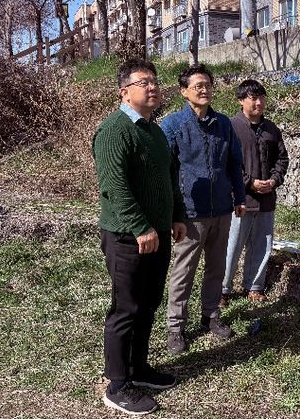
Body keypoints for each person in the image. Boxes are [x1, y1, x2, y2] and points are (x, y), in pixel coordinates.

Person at [92, 58, 187, 415]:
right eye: (143, 82)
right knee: (126, 308)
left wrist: (176, 216)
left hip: (157, 233)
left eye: (154, 81)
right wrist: (140, 226)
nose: (152, 87)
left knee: (148, 303)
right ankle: (117, 383)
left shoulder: (154, 131)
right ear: (124, 92)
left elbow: (169, 178)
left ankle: (139, 368)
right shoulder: (114, 130)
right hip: (126, 235)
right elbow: (113, 186)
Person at [161, 65, 246, 355]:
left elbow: (234, 163)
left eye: (208, 84)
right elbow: (166, 170)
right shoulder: (173, 125)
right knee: (184, 270)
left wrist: (239, 197)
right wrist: (174, 212)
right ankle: (176, 327)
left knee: (216, 267)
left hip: (221, 209)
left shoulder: (223, 124)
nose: (204, 89)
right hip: (190, 212)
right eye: (198, 85)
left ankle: (211, 315)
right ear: (184, 91)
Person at [221, 79, 289, 303]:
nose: (259, 102)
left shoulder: (271, 129)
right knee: (231, 246)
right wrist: (249, 182)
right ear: (241, 101)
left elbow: (282, 159)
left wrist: (274, 180)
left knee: (262, 244)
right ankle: (222, 289)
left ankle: (254, 286)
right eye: (253, 98)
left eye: (261, 97)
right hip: (239, 199)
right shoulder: (230, 127)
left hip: (266, 199)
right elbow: (225, 162)